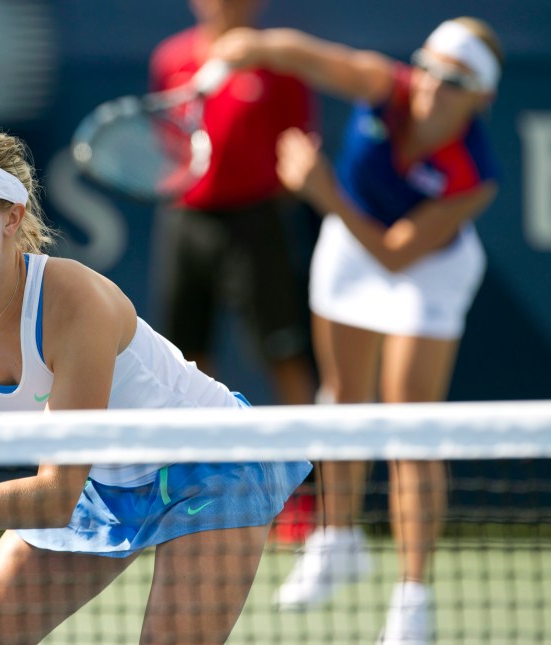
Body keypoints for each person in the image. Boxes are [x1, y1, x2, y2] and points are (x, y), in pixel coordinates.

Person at [0, 122, 312, 644]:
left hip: (211, 465)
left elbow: (53, 499)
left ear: (11, 217)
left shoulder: (73, 302)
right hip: (96, 481)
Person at [211, 16, 503, 643]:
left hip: (425, 269)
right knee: (342, 397)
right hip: (351, 247)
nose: (433, 83)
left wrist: (324, 193)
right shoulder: (382, 83)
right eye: (428, 65)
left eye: (454, 79)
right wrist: (249, 47)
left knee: (410, 425)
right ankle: (337, 541)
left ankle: (413, 597)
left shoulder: (474, 177)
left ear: (481, 97)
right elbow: (305, 53)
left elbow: (397, 256)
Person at [149, 0, 318, 406]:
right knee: (184, 360)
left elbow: (297, 150)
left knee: (283, 352)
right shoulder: (170, 58)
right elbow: (166, 142)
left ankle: (311, 449)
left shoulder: (280, 63)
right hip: (185, 220)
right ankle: (199, 447)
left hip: (256, 224)